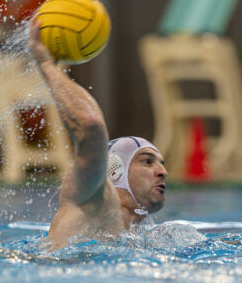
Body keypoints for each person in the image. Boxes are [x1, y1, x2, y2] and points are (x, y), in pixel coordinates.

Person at [28, 16, 168, 249]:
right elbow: (91, 125)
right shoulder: (96, 197)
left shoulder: (142, 238)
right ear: (114, 169)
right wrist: (47, 65)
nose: (162, 172)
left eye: (161, 163)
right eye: (147, 161)